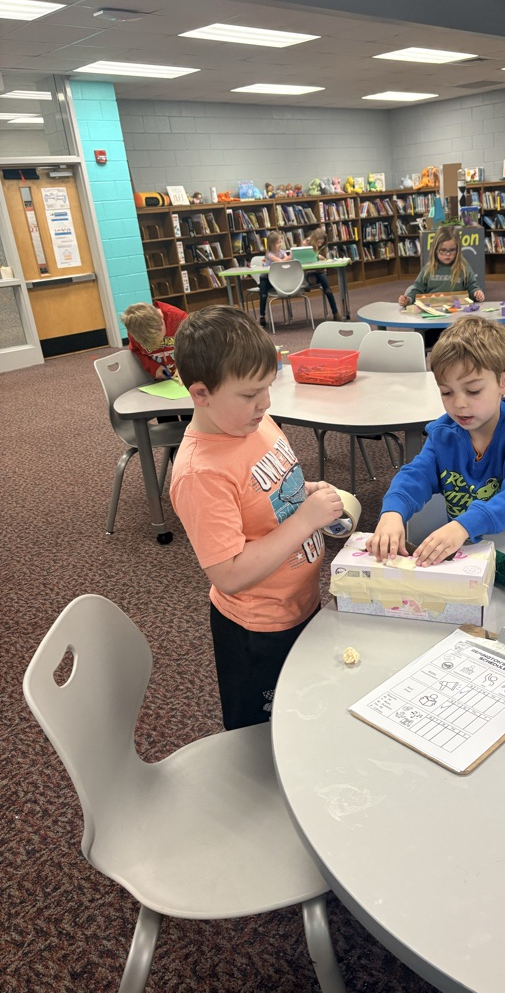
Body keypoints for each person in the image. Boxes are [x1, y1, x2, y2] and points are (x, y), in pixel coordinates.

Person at [170, 306, 344, 730]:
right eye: (250, 394)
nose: (264, 403)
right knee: (263, 735)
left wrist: (304, 495)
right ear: (201, 394)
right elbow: (227, 573)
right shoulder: (201, 473)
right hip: (258, 628)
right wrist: (303, 521)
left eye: (268, 388)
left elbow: (267, 497)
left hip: (299, 602)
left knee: (303, 711)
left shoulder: (253, 424)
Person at [366, 314, 505, 567]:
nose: (459, 404)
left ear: (504, 382)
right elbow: (416, 475)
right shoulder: (443, 433)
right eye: (447, 392)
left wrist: (462, 526)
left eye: (473, 390)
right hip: (470, 550)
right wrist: (393, 511)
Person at [398, 225, 486, 348]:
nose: (447, 254)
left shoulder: (463, 268)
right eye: (443, 250)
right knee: (425, 343)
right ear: (435, 250)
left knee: (468, 342)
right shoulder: (428, 269)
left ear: (458, 250)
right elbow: (417, 290)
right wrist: (408, 299)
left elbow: (472, 287)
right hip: (433, 322)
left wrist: (477, 293)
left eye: (452, 250)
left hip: (457, 323)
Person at [121, 300, 187, 379]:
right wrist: (154, 367)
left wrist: (186, 368)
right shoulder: (135, 330)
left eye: (159, 337)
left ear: (161, 318)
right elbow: (136, 351)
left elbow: (196, 347)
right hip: (163, 380)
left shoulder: (180, 319)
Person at [303, 226, 340, 321]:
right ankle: (313, 281)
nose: (319, 245)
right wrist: (316, 256)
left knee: (327, 288)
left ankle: (335, 313)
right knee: (315, 279)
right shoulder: (306, 243)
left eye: (321, 243)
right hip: (309, 272)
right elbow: (303, 258)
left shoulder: (323, 247)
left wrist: (324, 259)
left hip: (319, 272)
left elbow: (323, 262)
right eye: (318, 242)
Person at [258, 230, 290, 329]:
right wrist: (290, 257)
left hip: (278, 279)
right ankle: (262, 315)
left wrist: (288, 257)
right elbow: (279, 262)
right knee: (263, 295)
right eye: (278, 243)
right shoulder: (269, 254)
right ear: (271, 244)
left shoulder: (282, 252)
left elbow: (285, 258)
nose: (280, 244)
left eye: (281, 242)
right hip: (266, 279)